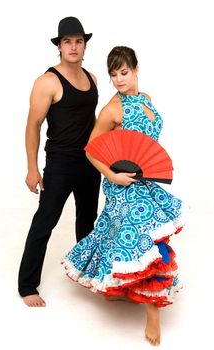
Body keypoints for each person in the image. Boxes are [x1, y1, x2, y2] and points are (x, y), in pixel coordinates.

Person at [61, 46, 186, 346]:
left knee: (125, 239)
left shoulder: (147, 100)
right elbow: (91, 149)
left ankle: (123, 287)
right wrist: (113, 175)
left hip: (146, 181)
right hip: (121, 185)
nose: (118, 80)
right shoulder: (112, 110)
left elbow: (146, 143)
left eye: (124, 73)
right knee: (143, 242)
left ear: (136, 69)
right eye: (113, 75)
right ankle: (152, 317)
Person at [18, 17, 101, 307]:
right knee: (45, 221)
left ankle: (88, 276)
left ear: (85, 45)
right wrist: (32, 168)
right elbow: (33, 125)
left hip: (90, 161)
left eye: (79, 41)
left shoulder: (92, 78)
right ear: (60, 46)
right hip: (61, 162)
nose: (74, 46)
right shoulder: (48, 81)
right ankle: (27, 286)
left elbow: (91, 121)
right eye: (68, 41)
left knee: (87, 222)